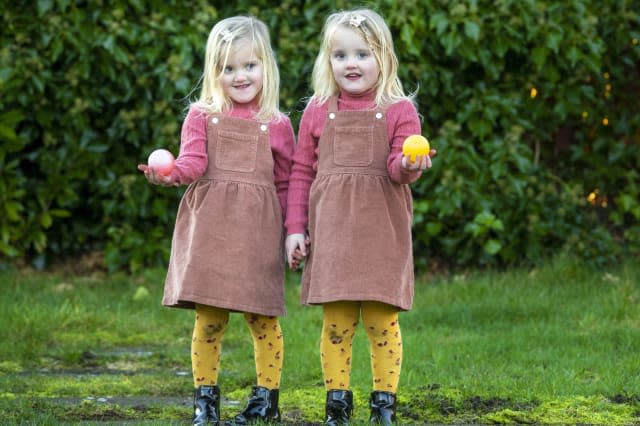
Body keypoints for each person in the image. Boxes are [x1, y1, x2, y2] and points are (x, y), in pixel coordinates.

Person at [138, 15, 294, 426]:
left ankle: (267, 400)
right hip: (211, 229)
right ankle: (204, 402)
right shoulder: (201, 116)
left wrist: (292, 228)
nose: (239, 76)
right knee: (209, 319)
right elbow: (191, 163)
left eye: (249, 66)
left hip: (258, 232)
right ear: (214, 71)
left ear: (266, 66)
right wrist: (170, 174)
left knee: (263, 317)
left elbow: (286, 183)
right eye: (228, 68)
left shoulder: (277, 125)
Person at [285, 8, 435, 426]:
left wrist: (411, 163)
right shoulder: (317, 109)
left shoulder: (399, 109)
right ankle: (337, 404)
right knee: (336, 322)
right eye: (341, 55)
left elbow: (396, 168)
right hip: (332, 232)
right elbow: (301, 172)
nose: (351, 64)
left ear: (383, 58)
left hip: (380, 231)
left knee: (381, 320)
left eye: (363, 54)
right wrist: (295, 228)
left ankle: (383, 404)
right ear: (327, 61)